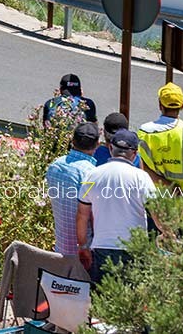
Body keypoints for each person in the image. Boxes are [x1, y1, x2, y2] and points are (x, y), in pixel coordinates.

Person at [76, 129, 159, 285]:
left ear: (110, 149)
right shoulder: (142, 178)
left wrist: (83, 246)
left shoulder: (92, 176)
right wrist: (169, 236)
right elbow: (157, 213)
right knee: (132, 302)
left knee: (102, 302)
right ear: (134, 154)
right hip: (133, 249)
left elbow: (82, 215)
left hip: (101, 248)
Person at [137, 82, 183, 209]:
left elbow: (141, 165)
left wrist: (166, 184)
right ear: (182, 106)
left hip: (153, 198)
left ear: (160, 105)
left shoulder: (144, 132)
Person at [45, 122, 100, 255]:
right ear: (97, 145)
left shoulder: (55, 166)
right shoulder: (91, 174)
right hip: (84, 252)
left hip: (61, 248)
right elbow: (94, 217)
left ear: (72, 140)